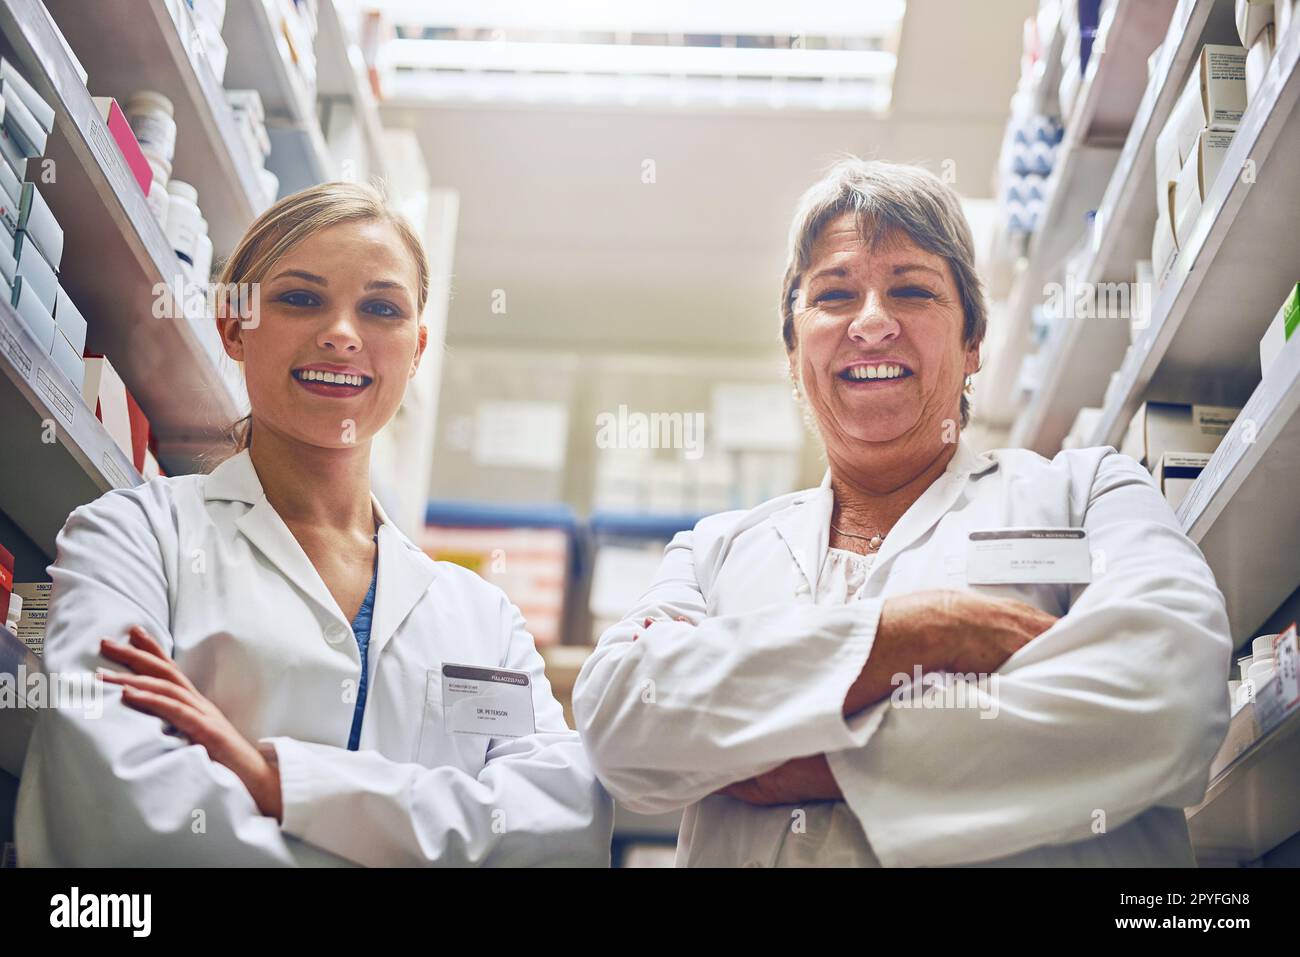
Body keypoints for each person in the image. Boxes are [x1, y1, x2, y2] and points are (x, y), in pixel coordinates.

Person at [571, 158, 1232, 867]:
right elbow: (619, 714)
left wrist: (824, 766)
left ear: (972, 342)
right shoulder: (715, 551)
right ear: (794, 355)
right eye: (833, 295)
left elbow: (1170, 690)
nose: (873, 322)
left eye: (913, 290)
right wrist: (929, 631)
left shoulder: (1087, 493)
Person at [17, 182, 612, 866]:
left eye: (380, 308)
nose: (341, 332)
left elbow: (561, 829)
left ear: (416, 350)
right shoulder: (133, 539)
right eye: (301, 298)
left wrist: (282, 782)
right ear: (234, 327)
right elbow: (116, 810)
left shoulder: (483, 621)